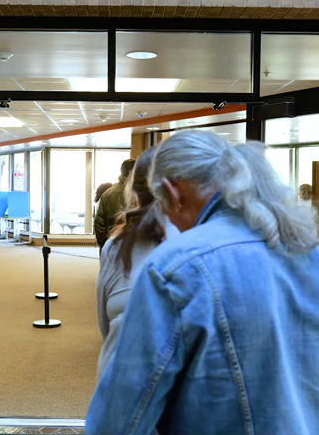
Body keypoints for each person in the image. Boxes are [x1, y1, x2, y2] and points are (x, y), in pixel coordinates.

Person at [87, 130, 319, 434]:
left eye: (163, 205)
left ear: (173, 192)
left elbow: (120, 418)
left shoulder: (177, 265)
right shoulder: (308, 249)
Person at [94, 148, 179, 379]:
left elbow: (104, 324)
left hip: (117, 376)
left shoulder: (116, 246)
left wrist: (104, 243)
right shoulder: (201, 243)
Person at [94, 159, 135, 251]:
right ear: (130, 173)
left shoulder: (107, 194)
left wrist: (104, 244)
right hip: (130, 246)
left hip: (109, 243)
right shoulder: (137, 194)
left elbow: (99, 222)